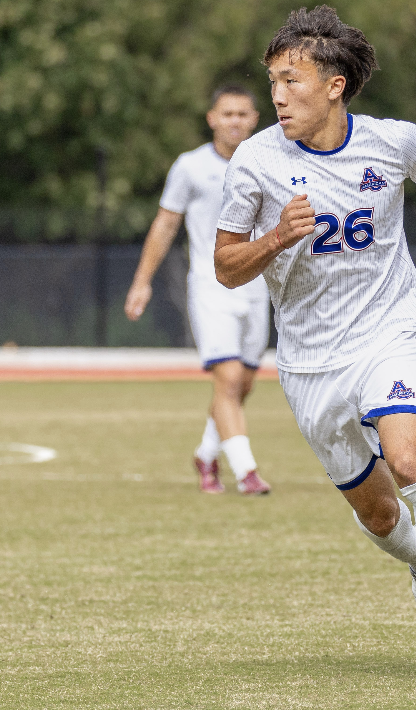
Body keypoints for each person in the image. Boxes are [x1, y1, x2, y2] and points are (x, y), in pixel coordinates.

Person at [214, 6, 416, 677]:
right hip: (309, 361)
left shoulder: (393, 142)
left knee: (409, 459)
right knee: (380, 514)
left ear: (334, 86)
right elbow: (226, 266)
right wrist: (276, 238)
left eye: (291, 81)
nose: (277, 96)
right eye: (272, 82)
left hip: (388, 330)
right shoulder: (255, 162)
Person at [126, 85, 272, 495]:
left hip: (257, 287)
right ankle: (246, 472)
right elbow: (166, 223)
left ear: (254, 119)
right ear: (211, 119)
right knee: (228, 378)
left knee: (243, 384)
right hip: (211, 287)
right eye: (227, 113)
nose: (235, 121)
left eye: (242, 114)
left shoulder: (269, 162)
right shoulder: (190, 167)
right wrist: (142, 281)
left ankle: (206, 455)